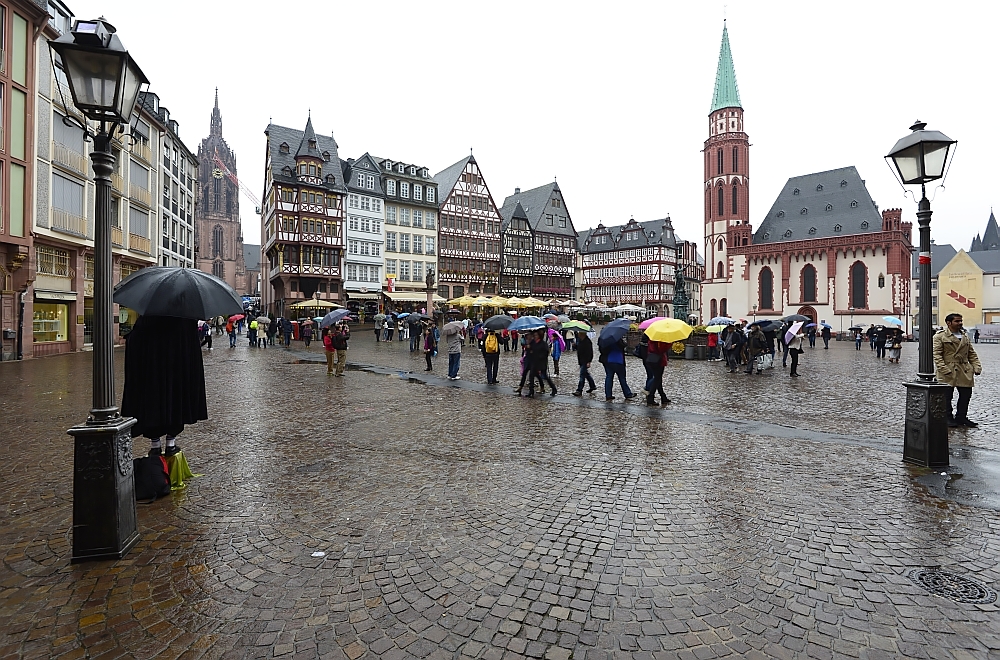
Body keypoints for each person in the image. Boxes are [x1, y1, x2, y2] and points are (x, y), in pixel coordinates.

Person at [121, 315, 207, 457]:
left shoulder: (147, 317)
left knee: (152, 405)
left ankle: (156, 445)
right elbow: (193, 346)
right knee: (176, 404)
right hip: (177, 374)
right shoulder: (185, 318)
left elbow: (134, 341)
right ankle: (170, 443)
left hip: (152, 374)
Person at [933, 313, 982, 428]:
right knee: (946, 396)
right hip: (948, 369)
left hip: (964, 369)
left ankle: (961, 417)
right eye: (957, 321)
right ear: (948, 323)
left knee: (966, 395)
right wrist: (944, 369)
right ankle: (948, 418)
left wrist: (976, 366)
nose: (960, 323)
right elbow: (937, 355)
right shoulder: (939, 336)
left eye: (961, 321)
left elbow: (971, 353)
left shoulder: (964, 336)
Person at [599, 335, 636, 401]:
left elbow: (601, 350)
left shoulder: (603, 339)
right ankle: (627, 393)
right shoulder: (617, 338)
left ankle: (608, 395)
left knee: (609, 377)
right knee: (622, 378)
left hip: (608, 360)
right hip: (618, 360)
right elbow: (624, 345)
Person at [527, 329, 556, 397]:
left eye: (536, 335)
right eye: (534, 335)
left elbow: (546, 353)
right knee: (531, 376)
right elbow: (530, 350)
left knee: (545, 376)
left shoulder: (543, 344)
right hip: (534, 362)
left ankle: (553, 388)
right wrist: (528, 348)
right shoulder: (533, 342)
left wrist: (538, 355)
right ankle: (531, 391)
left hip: (541, 363)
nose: (535, 336)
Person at [645, 340, 670, 405]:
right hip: (659, 361)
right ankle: (651, 397)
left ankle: (663, 396)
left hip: (652, 360)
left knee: (658, 378)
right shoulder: (659, 341)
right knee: (657, 379)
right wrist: (669, 344)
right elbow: (662, 349)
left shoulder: (651, 340)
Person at [572, 330, 597, 396]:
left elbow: (590, 352)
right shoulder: (580, 341)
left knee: (582, 375)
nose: (578, 334)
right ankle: (592, 386)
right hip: (581, 360)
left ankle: (579, 390)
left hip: (585, 360)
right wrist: (575, 346)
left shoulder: (587, 342)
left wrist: (589, 361)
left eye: (580, 333)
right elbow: (579, 349)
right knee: (586, 374)